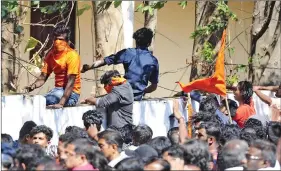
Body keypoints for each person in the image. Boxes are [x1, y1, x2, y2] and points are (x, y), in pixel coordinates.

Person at [81, 27, 159, 101]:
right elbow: (153, 86)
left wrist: (86, 68)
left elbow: (103, 61)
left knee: (112, 75)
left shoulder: (128, 53)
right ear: (149, 43)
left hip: (122, 94)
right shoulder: (153, 60)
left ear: (136, 41)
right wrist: (142, 92)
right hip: (136, 97)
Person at [24, 24, 81, 108]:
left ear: (67, 41)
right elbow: (43, 77)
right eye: (56, 39)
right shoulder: (50, 55)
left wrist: (61, 103)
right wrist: (34, 85)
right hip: (57, 90)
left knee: (44, 101)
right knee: (36, 100)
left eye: (61, 39)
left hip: (71, 94)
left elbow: (71, 83)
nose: (57, 41)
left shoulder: (72, 55)